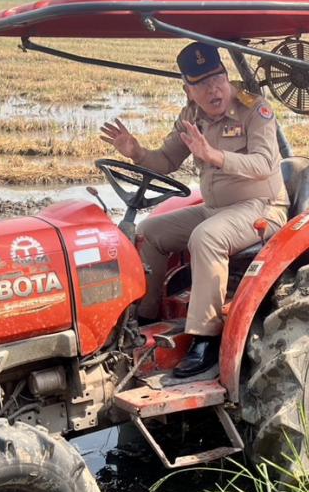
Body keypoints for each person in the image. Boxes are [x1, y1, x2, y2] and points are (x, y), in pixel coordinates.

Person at [99, 42, 287, 378]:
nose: (213, 89)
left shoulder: (255, 111)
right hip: (216, 209)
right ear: (188, 89)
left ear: (227, 76)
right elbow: (167, 160)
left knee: (206, 238)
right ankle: (146, 317)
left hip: (261, 206)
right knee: (150, 232)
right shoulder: (191, 116)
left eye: (217, 78)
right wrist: (136, 152)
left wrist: (214, 155)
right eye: (201, 83)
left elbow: (264, 163)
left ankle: (205, 337)